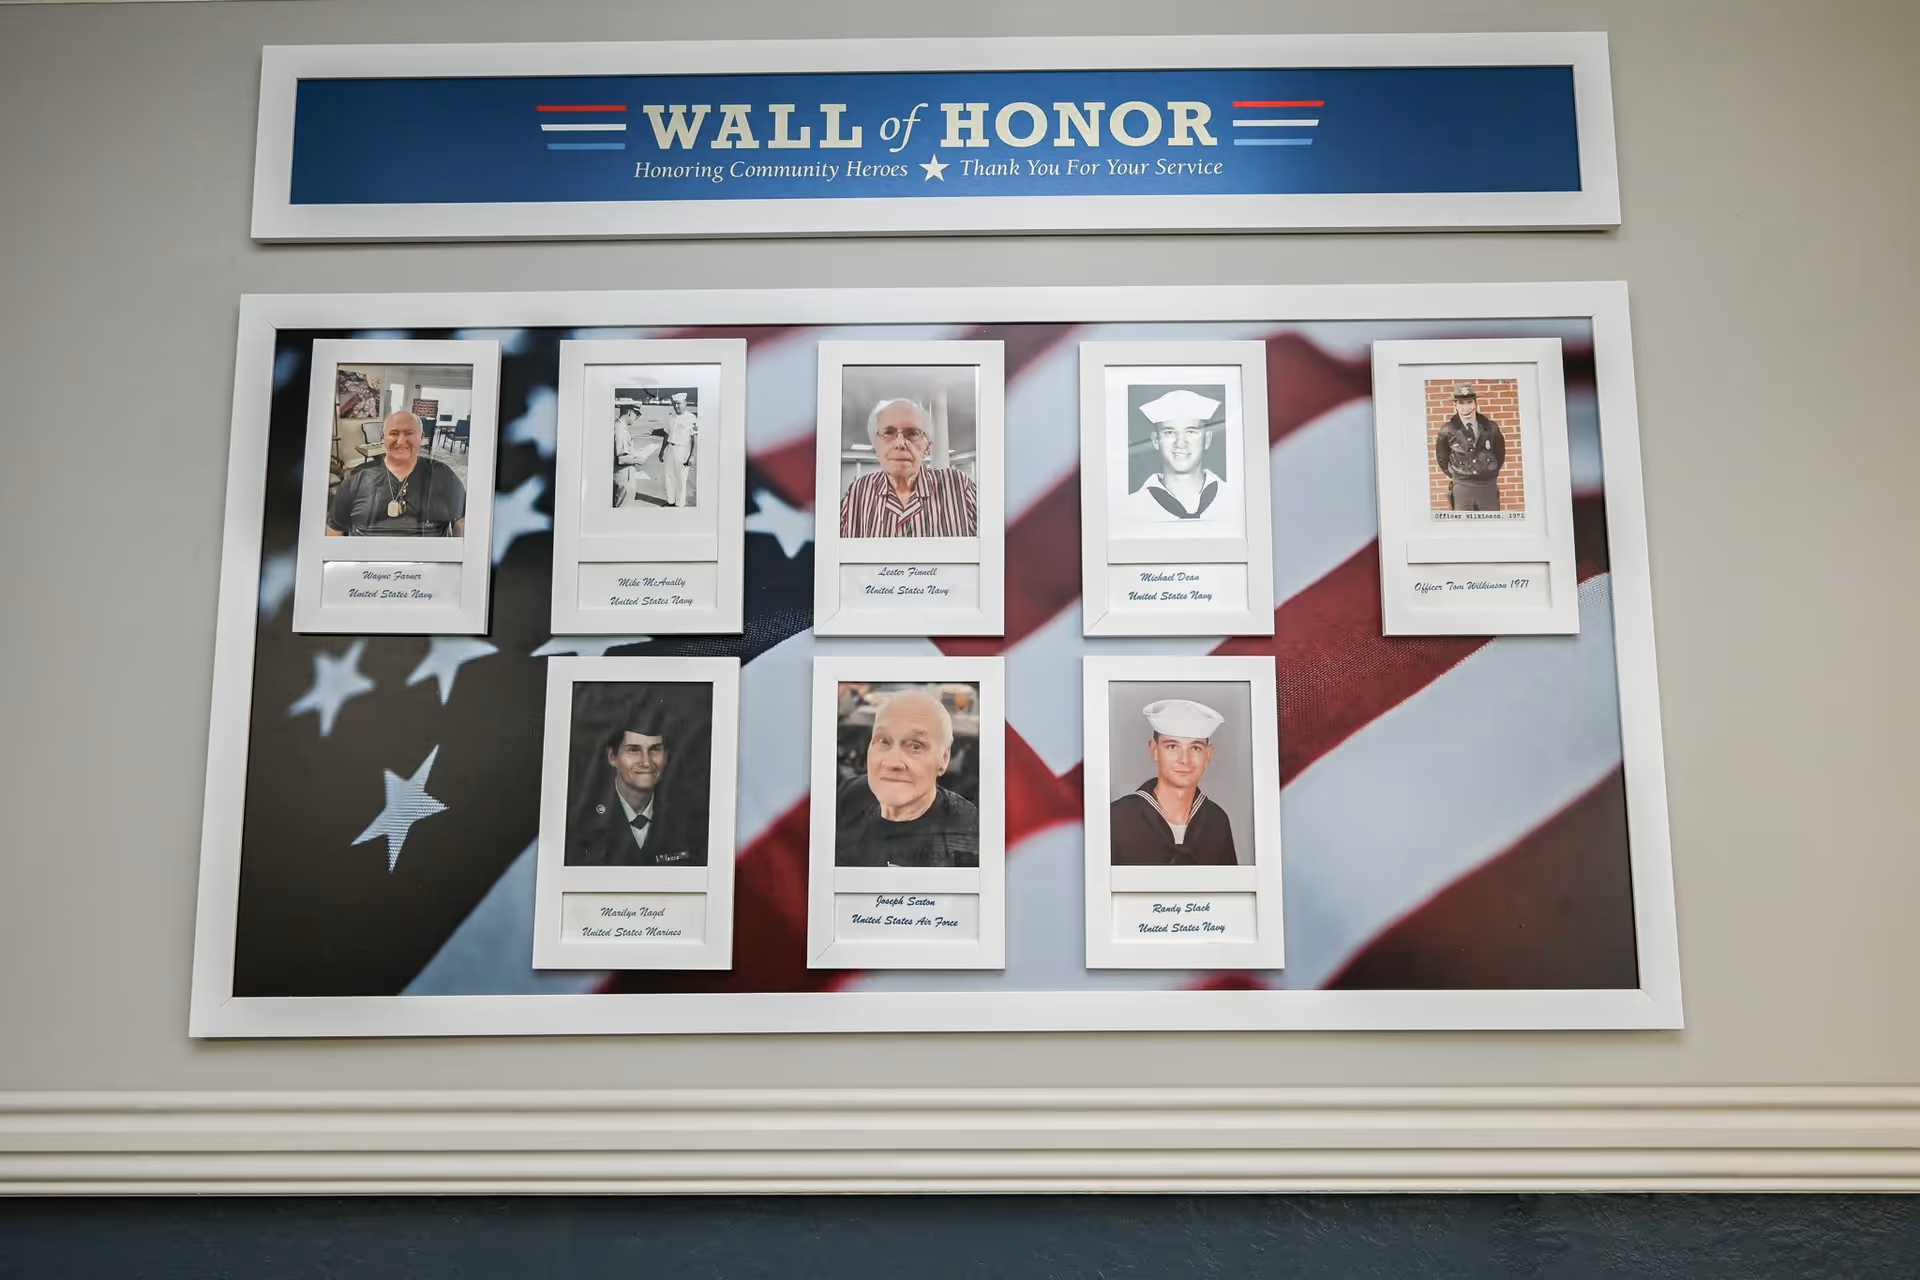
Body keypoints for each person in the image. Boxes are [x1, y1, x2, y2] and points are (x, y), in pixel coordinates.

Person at [835, 689, 979, 867]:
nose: (893, 762)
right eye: (883, 741)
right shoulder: (848, 797)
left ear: (943, 759)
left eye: (916, 746)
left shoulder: (968, 832)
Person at [566, 695, 708, 867]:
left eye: (655, 749)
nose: (646, 762)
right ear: (612, 757)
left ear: (666, 757)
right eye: (634, 750)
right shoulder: (579, 824)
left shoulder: (692, 821)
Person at [1110, 697, 1238, 866]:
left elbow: (1230, 891)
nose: (1184, 760)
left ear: (1208, 755)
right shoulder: (1118, 818)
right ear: (1154, 750)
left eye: (1195, 748)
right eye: (1172, 746)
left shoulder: (1217, 821)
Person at [839, 398, 978, 537]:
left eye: (912, 433)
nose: (900, 443)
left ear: (927, 447)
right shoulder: (856, 494)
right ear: (876, 447)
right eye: (888, 432)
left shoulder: (960, 487)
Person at [326, 409, 467, 536]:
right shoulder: (356, 478)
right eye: (394, 433)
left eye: (409, 433)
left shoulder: (443, 475)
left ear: (421, 437)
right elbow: (334, 529)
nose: (401, 441)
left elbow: (463, 523)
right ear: (382, 438)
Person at [1121, 388, 1228, 523]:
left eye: (1191, 431)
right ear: (1155, 440)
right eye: (1169, 432)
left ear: (1207, 439)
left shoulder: (1232, 500)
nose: (1180, 443)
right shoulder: (1131, 509)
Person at [1434, 384, 1507, 512]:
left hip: (1487, 487)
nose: (1465, 407)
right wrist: (1457, 474)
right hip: (1462, 488)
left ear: (1475, 404)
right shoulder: (1447, 430)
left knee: (1491, 525)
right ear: (1455, 405)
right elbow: (1442, 458)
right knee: (1463, 527)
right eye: (1461, 403)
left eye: (1469, 402)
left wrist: (1488, 471)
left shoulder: (1491, 427)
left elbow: (1500, 453)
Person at [661, 392, 698, 508]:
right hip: (670, 449)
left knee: (681, 478)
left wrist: (692, 456)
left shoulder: (691, 418)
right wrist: (662, 451)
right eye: (674, 404)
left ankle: (679, 504)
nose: (676, 406)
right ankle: (670, 501)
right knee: (668, 475)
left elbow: (694, 438)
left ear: (685, 403)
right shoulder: (670, 417)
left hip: (683, 450)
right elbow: (666, 435)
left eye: (679, 404)